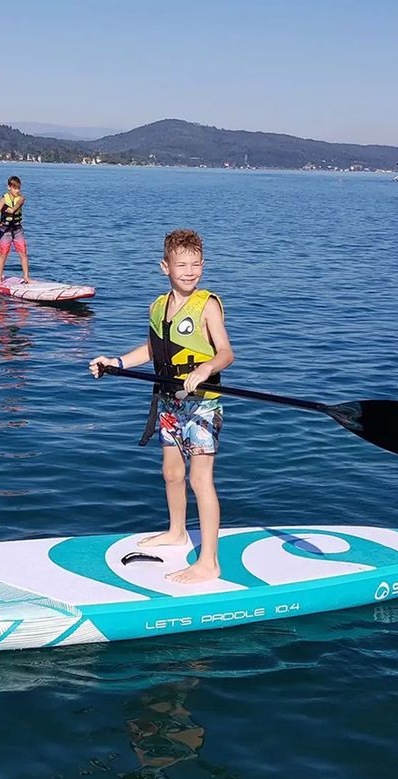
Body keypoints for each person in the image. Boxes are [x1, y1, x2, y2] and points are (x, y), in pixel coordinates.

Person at [89, 229, 234, 584]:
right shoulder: (157, 306)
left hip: (202, 405)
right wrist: (117, 362)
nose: (189, 271)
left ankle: (209, 562)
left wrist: (206, 368)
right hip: (169, 402)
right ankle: (176, 532)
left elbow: (226, 353)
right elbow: (153, 350)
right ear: (164, 267)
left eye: (195, 264)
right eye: (181, 264)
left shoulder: (207, 305)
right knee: (171, 473)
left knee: (200, 479)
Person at [0, 175, 30, 283]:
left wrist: (12, 209)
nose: (17, 190)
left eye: (18, 188)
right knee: (3, 254)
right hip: (5, 230)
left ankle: (26, 277)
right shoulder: (4, 199)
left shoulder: (21, 198)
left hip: (17, 229)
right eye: (15, 188)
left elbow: (18, 204)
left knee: (23, 252)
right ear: (9, 187)